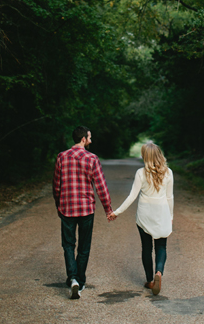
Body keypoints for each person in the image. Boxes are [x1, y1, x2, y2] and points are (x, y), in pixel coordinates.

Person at [53, 126, 115, 299]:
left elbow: (56, 186)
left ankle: (72, 278)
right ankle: (80, 281)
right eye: (89, 138)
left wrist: (58, 205)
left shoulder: (61, 157)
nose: (91, 141)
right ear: (83, 139)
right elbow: (101, 187)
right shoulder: (92, 158)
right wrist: (107, 209)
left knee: (68, 244)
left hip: (66, 208)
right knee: (84, 247)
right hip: (86, 209)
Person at [111, 142, 174, 295]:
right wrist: (171, 215)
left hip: (145, 213)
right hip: (162, 212)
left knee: (146, 248)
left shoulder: (141, 173)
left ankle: (150, 281)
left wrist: (116, 212)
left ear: (145, 156)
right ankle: (159, 273)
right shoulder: (168, 172)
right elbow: (169, 197)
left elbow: (132, 196)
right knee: (161, 247)